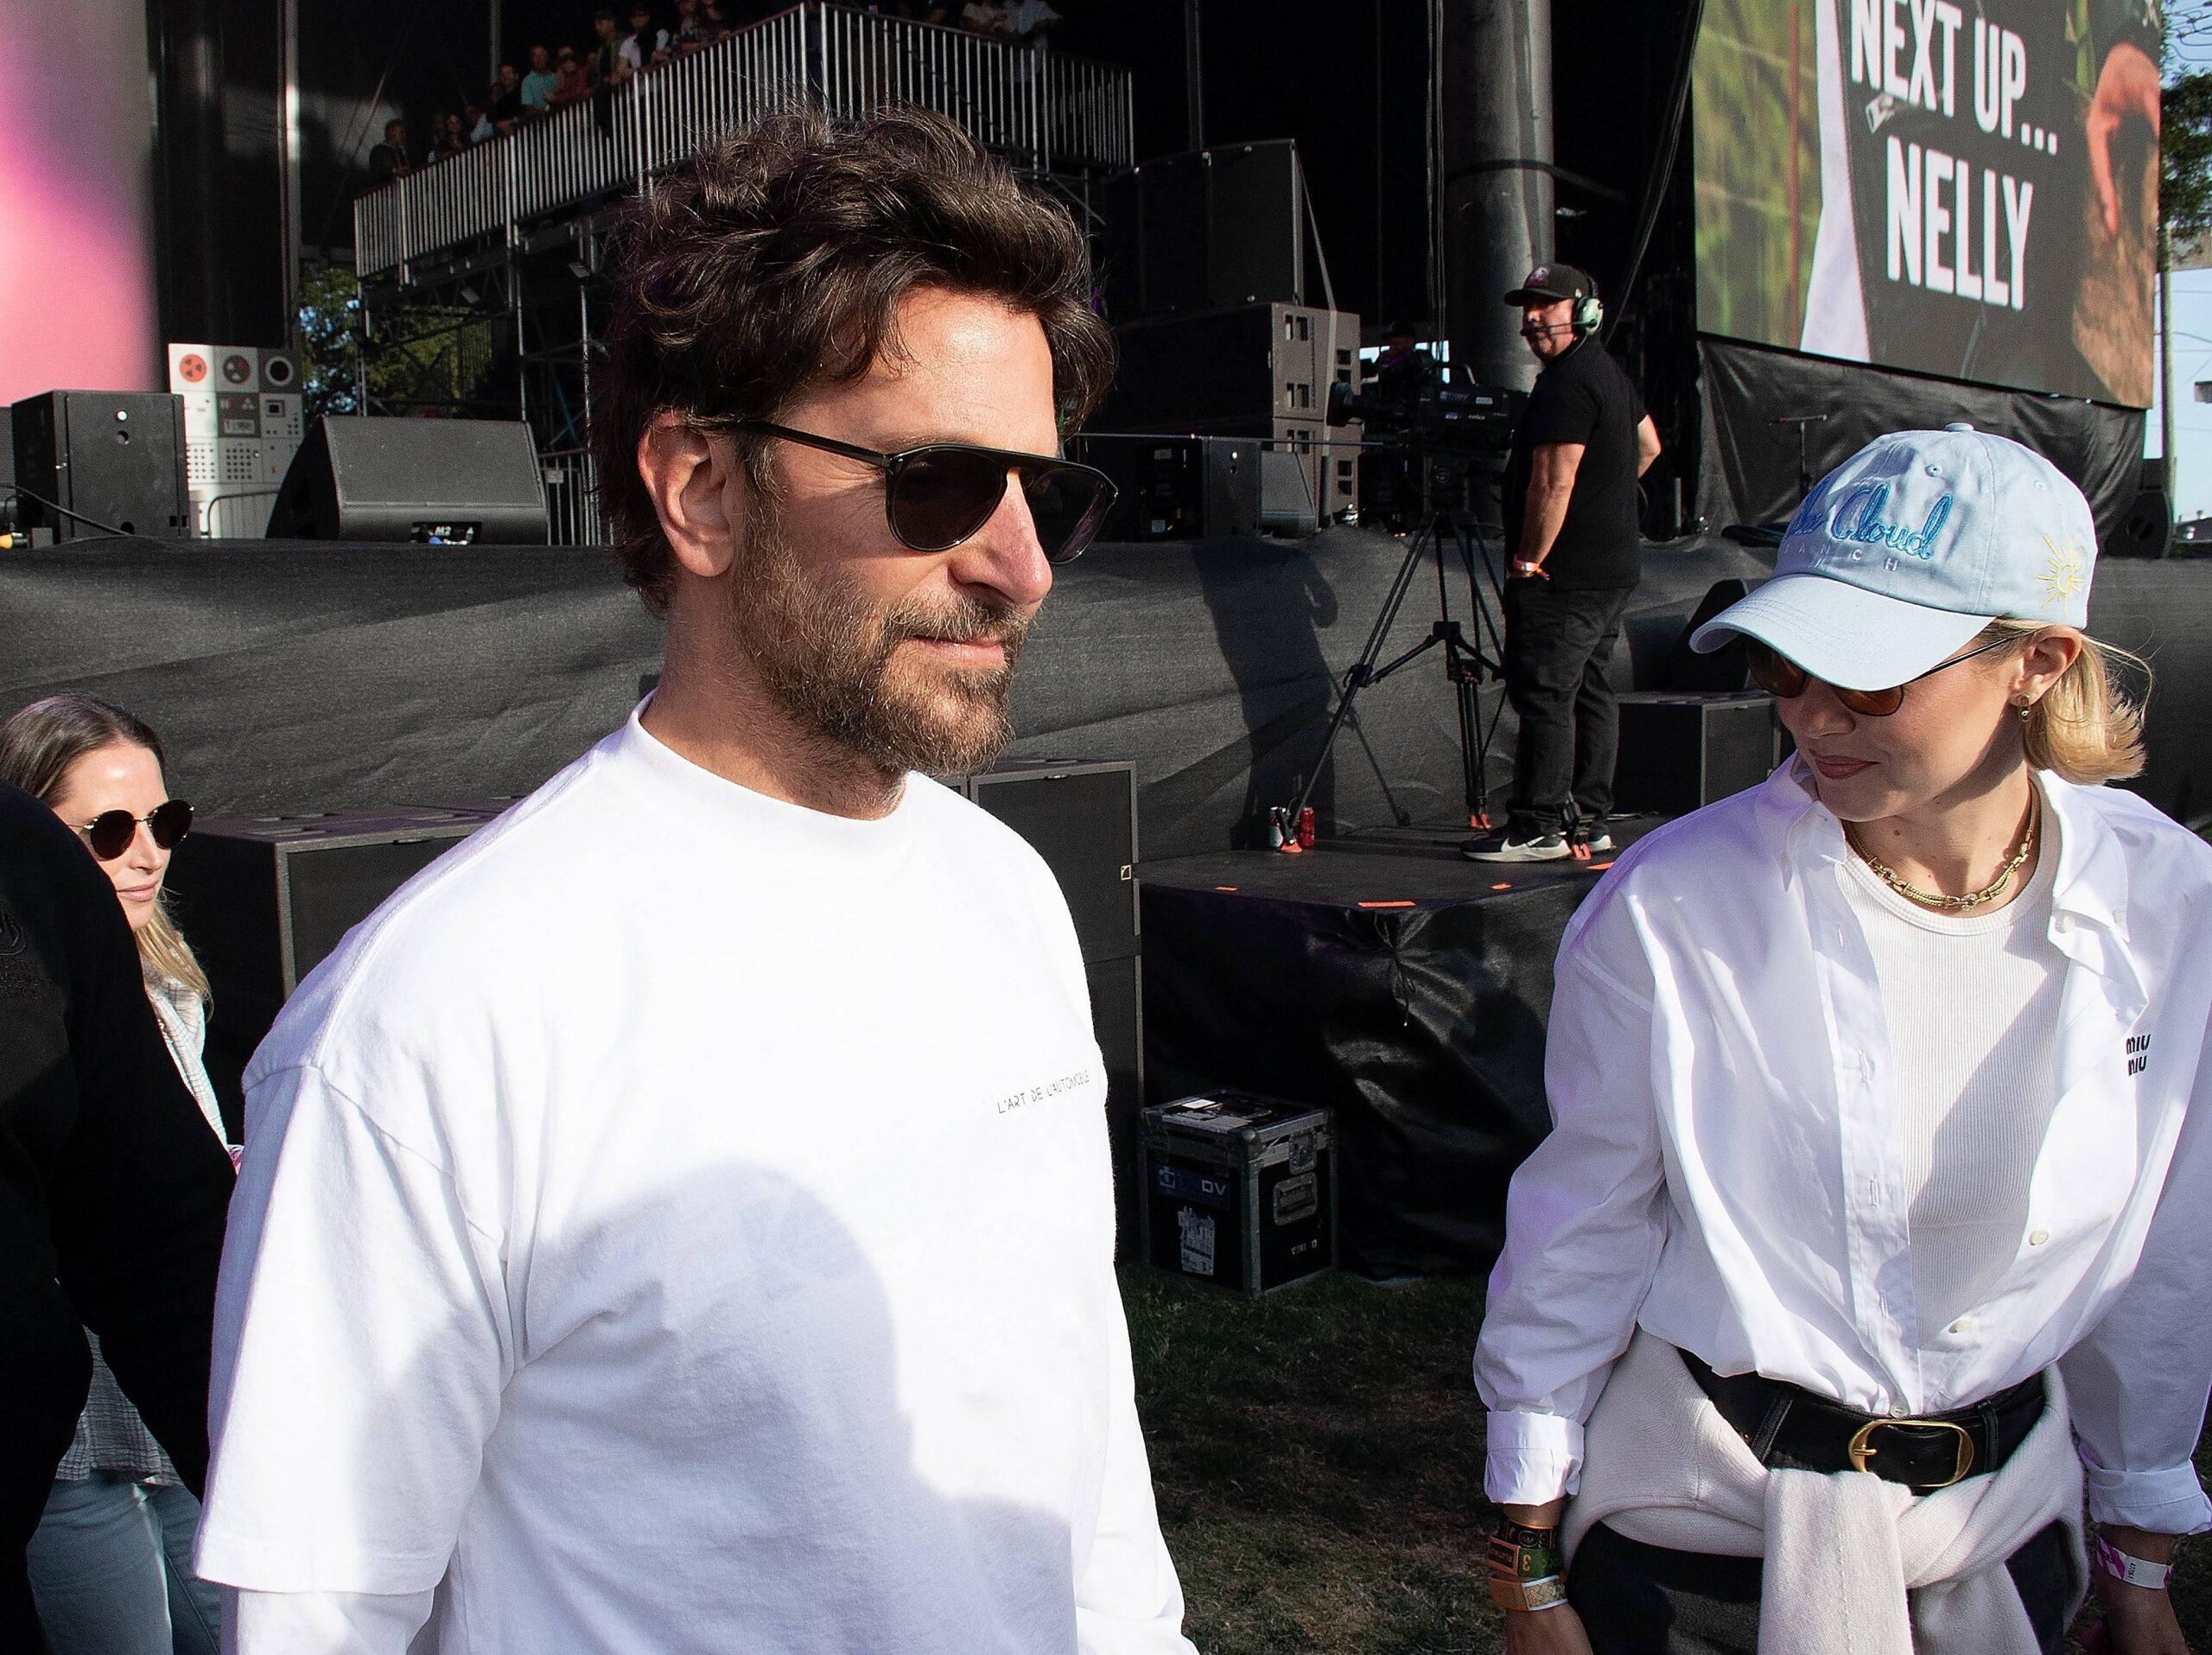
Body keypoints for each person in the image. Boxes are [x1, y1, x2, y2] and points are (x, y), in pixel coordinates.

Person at [195, 106, 1188, 1655]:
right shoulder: (436, 1023)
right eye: (942, 484)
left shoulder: (1011, 900)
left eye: (1047, 498)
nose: (1024, 568)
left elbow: (1074, 1417)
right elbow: (321, 1618)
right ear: (703, 489)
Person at [1471, 425, 2212, 1655]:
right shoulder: (1673, 908)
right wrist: (1528, 1556)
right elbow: (1585, 1218)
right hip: (1695, 1541)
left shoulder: (2169, 905)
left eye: (1869, 677)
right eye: (1784, 668)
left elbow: (2164, 1247)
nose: (1811, 715)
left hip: (2006, 1534)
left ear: (2039, 660)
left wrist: (2138, 1537)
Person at [0, 697, 231, 1655]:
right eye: (108, 830)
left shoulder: (164, 977)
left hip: (149, 1444)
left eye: (165, 824)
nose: (146, 853)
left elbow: (157, 1225)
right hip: (81, 1457)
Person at [1466, 263, 1661, 863]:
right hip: (1612, 570)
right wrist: (1604, 498)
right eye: (1527, 306)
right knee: (1593, 690)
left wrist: (1528, 560)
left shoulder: (1564, 385)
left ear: (1583, 311)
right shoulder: (1608, 375)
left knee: (1548, 692)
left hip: (1566, 576)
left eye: (1545, 306)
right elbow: (1650, 446)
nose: (1530, 319)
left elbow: (1552, 484)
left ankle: (1538, 827)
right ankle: (1590, 821)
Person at [365, 119, 411, 186]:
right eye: (401, 133)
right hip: (385, 191)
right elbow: (376, 171)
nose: (404, 136)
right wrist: (394, 170)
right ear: (392, 132)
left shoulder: (401, 152)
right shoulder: (379, 150)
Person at [518, 45, 557, 112]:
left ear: (547, 57)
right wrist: (547, 109)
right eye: (535, 56)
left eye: (541, 54)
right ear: (531, 59)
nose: (538, 58)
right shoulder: (527, 81)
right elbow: (529, 109)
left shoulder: (556, 77)